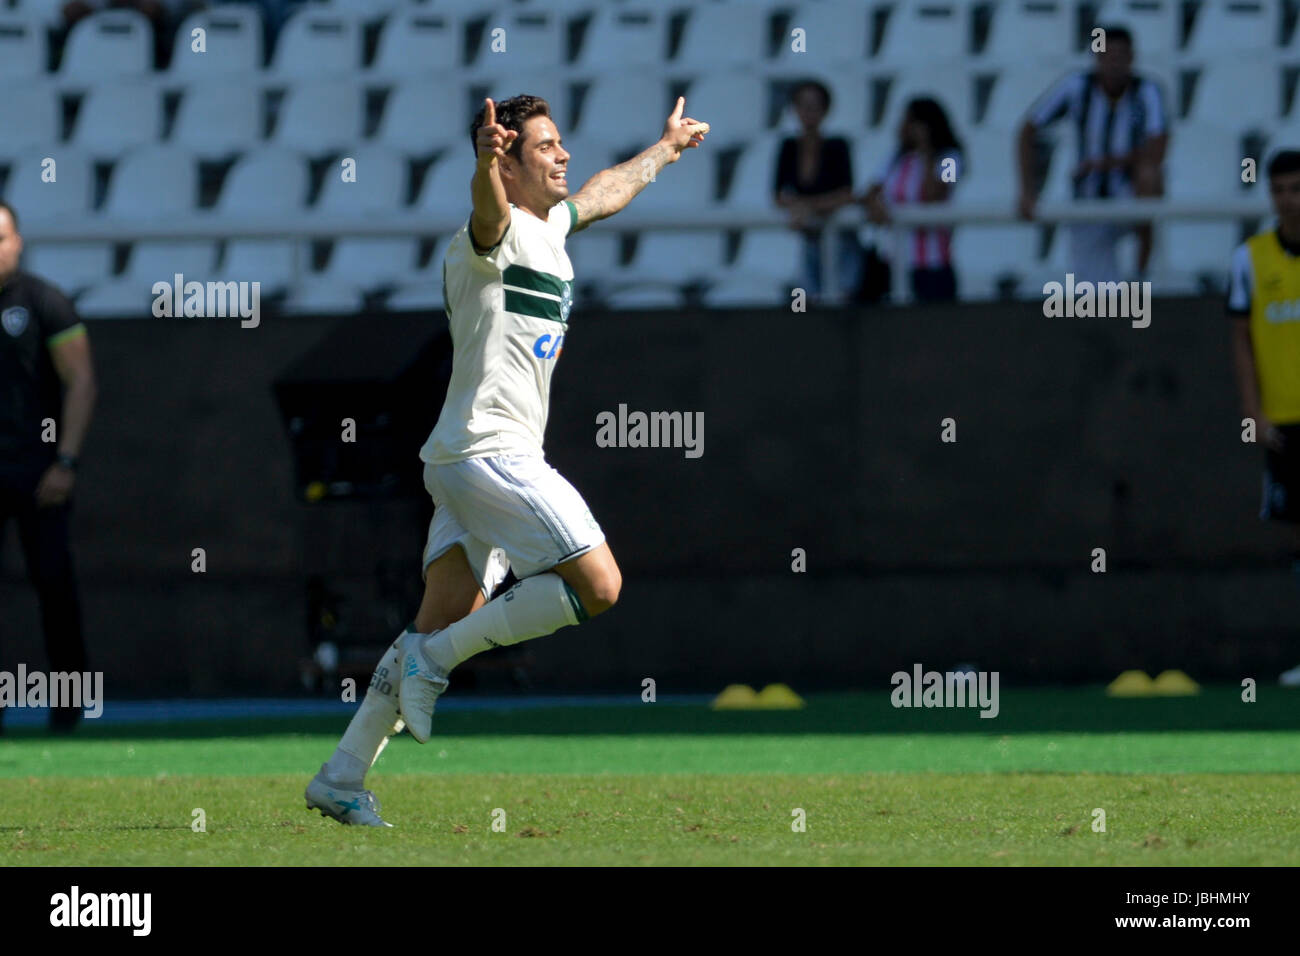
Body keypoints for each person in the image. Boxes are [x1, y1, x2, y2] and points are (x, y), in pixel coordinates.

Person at [305, 94, 708, 825]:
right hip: (490, 454)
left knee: (429, 626)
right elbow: (486, 212)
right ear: (509, 163)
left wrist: (666, 150)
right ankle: (440, 662)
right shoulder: (484, 235)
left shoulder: (552, 225)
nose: (563, 155)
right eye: (546, 146)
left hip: (470, 462)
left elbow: (601, 193)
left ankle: (341, 775)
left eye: (561, 142)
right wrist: (483, 164)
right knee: (600, 585)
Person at [0, 201, 97, 734]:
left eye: (1, 237)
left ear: (18, 241)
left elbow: (80, 382)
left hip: (41, 474)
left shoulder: (45, 303)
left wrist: (65, 460)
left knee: (54, 584)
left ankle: (69, 704)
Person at [1016, 25, 1168, 283]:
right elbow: (1027, 131)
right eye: (1108, 55)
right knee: (1096, 295)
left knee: (1149, 175)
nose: (1114, 64)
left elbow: (1159, 148)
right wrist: (1028, 191)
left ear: (1132, 58)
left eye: (1121, 56)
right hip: (1088, 195)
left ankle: (1142, 267)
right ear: (1096, 58)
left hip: (1128, 192)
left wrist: (1104, 164)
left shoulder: (1147, 91)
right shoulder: (1076, 87)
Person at [1227, 149, 1300, 687]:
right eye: (1279, 190)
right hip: (1283, 421)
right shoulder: (1249, 259)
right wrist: (1252, 411)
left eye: (1296, 188)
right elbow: (1241, 340)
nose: (1287, 200)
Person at [862, 96, 964, 302]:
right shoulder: (896, 158)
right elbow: (871, 190)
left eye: (910, 121)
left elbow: (936, 195)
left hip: (932, 263)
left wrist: (926, 151)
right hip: (892, 260)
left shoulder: (951, 158)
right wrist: (876, 205)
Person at [774, 79, 859, 302]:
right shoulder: (788, 146)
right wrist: (802, 207)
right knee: (810, 301)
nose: (808, 112)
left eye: (814, 106)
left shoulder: (838, 146)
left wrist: (806, 207)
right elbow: (779, 194)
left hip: (839, 239)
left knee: (842, 297)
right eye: (803, 105)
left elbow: (846, 193)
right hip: (809, 240)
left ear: (825, 110)